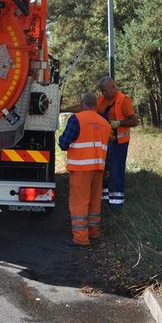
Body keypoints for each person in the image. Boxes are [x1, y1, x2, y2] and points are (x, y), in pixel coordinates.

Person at [58, 91, 111, 247]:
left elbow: (63, 143)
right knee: (95, 202)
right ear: (95, 105)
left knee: (79, 202)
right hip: (98, 168)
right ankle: (94, 233)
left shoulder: (77, 119)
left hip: (81, 168)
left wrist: (61, 139)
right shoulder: (104, 123)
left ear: (82, 103)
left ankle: (81, 238)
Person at [95, 76, 139, 211]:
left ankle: (116, 205)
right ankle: (104, 201)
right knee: (104, 171)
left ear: (113, 87)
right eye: (101, 91)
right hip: (105, 142)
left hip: (119, 143)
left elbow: (134, 121)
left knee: (116, 171)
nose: (103, 94)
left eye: (105, 91)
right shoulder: (101, 100)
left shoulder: (123, 101)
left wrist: (119, 123)